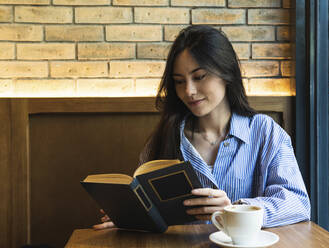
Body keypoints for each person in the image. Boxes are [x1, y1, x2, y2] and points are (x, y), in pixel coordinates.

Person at [94, 25, 310, 230]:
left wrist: (236, 210)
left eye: (199, 77)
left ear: (227, 73)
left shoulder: (264, 132)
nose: (189, 90)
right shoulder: (164, 138)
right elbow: (152, 214)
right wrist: (132, 218)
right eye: (179, 81)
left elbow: (297, 203)